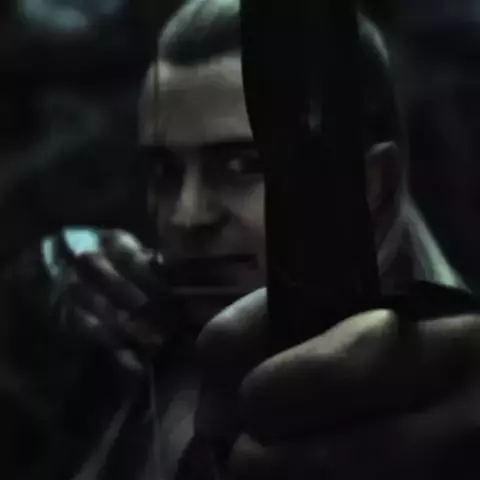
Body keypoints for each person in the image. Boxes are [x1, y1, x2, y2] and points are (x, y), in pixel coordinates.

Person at [14, 0, 480, 479]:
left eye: (243, 165)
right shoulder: (138, 345)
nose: (187, 215)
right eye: (165, 171)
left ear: (370, 184)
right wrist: (57, 264)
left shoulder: (441, 396)